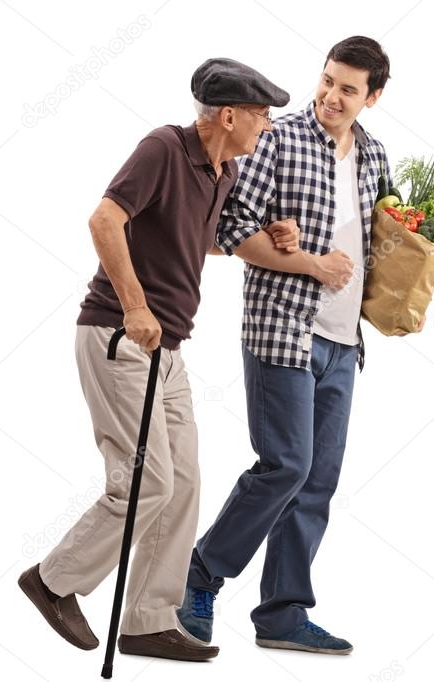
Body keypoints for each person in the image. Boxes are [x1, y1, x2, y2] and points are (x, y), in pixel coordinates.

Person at [18, 57, 295, 663]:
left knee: (185, 483)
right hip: (120, 336)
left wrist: (274, 237)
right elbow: (105, 218)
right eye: (260, 116)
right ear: (227, 115)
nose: (266, 127)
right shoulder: (164, 149)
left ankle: (147, 619)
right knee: (145, 481)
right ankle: (53, 580)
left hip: (167, 352)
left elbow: (202, 239)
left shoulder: (221, 172)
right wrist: (136, 306)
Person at [177, 37, 420, 656]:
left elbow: (385, 242)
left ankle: (283, 612)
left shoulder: (373, 156)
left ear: (374, 98)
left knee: (317, 480)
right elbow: (230, 228)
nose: (331, 97)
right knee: (285, 465)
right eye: (328, 80)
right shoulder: (278, 139)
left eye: (348, 89)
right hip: (282, 329)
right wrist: (312, 265)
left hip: (343, 341)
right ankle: (199, 577)